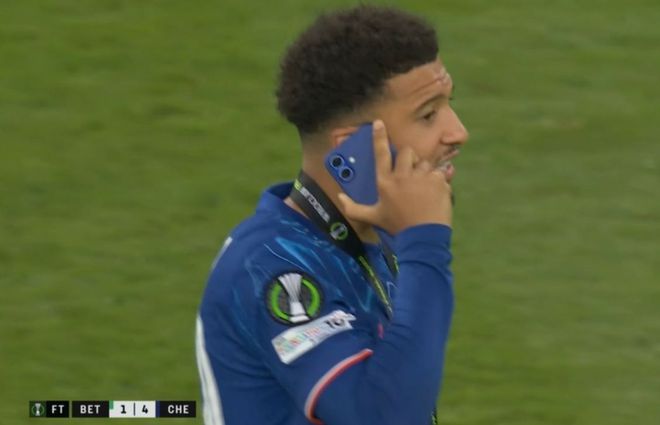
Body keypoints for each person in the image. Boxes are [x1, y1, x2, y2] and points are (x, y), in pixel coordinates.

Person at [196, 5, 469, 425]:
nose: (458, 132)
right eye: (428, 114)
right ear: (352, 148)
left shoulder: (370, 243)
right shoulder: (272, 266)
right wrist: (425, 244)